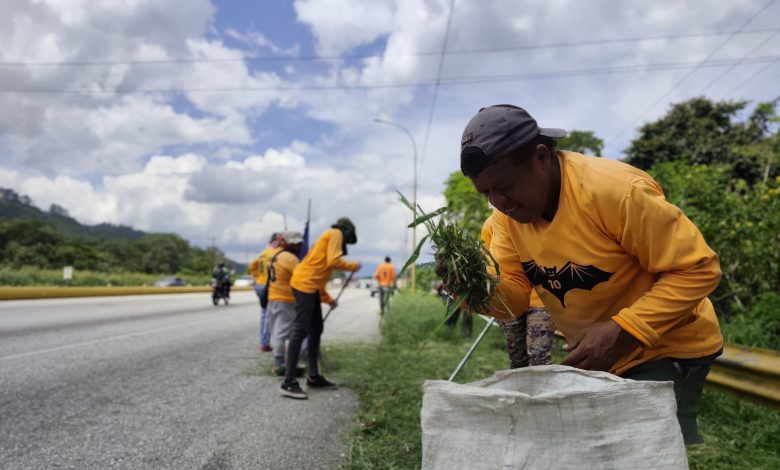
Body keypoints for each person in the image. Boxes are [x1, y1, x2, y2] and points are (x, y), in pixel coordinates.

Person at [453, 104, 723, 445]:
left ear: (540, 157)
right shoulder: (507, 218)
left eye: (505, 187)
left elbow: (698, 268)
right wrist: (474, 290)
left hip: (669, 346)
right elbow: (516, 300)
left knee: (643, 451)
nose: (499, 202)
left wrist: (624, 330)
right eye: (486, 194)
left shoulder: (615, 192)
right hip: (603, 355)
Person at [279, 217, 361, 399]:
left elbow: (319, 273)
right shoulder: (336, 233)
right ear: (346, 230)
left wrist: (328, 299)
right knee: (300, 330)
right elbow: (333, 261)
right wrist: (353, 266)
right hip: (304, 284)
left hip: (311, 285)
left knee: (316, 328)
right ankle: (288, 382)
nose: (346, 242)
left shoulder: (331, 235)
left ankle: (314, 377)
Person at [481, 211, 555, 368]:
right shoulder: (491, 224)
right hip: (509, 298)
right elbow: (486, 257)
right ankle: (521, 391)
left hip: (541, 298)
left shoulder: (535, 216)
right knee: (516, 358)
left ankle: (543, 390)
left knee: (539, 356)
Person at [266, 231, 306, 377]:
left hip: (274, 297)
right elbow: (303, 277)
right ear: (287, 243)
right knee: (281, 332)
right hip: (286, 299)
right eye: (296, 244)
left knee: (280, 330)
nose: (299, 246)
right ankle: (279, 364)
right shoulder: (290, 258)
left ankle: (285, 361)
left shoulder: (275, 255)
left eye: (300, 243)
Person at [249, 233, 282, 352]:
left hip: (259, 284)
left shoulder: (263, 252)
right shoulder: (278, 252)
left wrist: (256, 277)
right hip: (269, 286)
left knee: (264, 314)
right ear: (278, 241)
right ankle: (273, 343)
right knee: (275, 315)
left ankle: (264, 342)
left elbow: (252, 266)